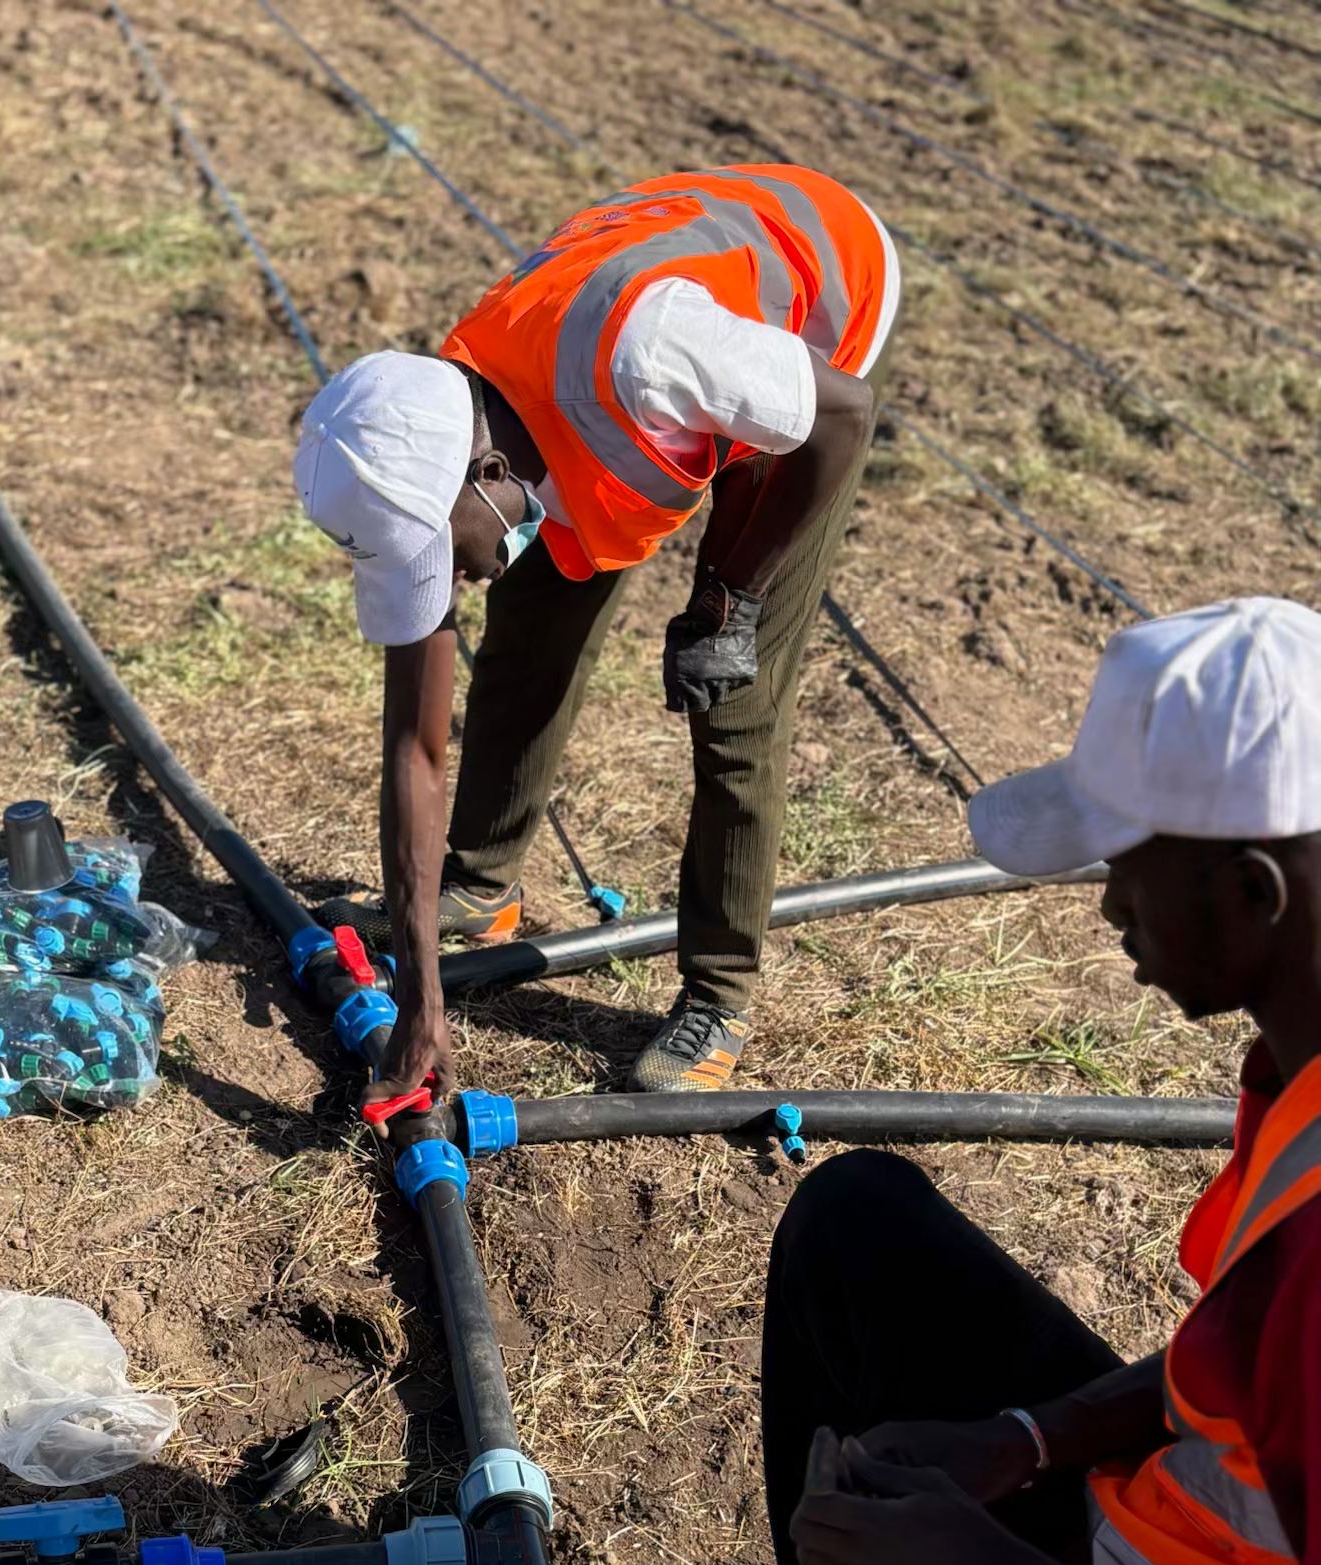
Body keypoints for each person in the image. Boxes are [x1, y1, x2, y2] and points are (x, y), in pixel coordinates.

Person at [509, 597, 1321, 1565]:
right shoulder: (1299, 1046)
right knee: (857, 1219)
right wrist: (1021, 1442)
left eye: (1127, 871)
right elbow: (1230, 1377)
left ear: (1255, 892)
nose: (1107, 911)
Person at [293, 165, 900, 1106]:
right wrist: (418, 994)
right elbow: (414, 749)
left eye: (442, 554)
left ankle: (720, 994)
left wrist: (729, 596)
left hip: (816, 315)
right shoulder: (449, 432)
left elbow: (842, 419)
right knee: (529, 624)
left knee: (730, 690)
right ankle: (482, 885)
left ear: (488, 469)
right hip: (661, 373)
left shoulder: (651, 356)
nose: (445, 582)